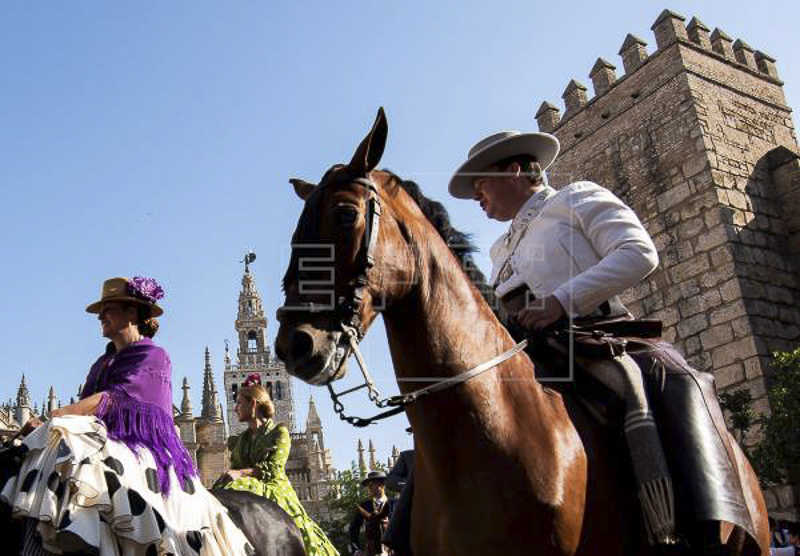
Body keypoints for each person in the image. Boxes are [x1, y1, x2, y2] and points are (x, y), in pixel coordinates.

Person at [448, 131, 757, 555]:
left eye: (480, 184)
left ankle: (699, 526)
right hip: (531, 354)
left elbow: (638, 252)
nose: (477, 198)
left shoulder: (574, 198)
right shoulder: (499, 250)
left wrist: (560, 301)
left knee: (675, 381)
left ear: (514, 170)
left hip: (598, 336)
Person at [1, 276, 252, 555]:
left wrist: (58, 415)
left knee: (68, 445)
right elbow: (89, 403)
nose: (101, 316)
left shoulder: (153, 355)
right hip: (101, 438)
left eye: (108, 308)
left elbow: (115, 399)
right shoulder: (103, 362)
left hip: (142, 446)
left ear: (132, 312)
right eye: (100, 311)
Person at [216, 373, 338, 556]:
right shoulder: (240, 440)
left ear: (254, 404)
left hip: (273, 486)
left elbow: (273, 469)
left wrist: (240, 474)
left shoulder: (279, 432)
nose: (235, 408)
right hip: (246, 485)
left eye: (240, 402)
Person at [348, 471, 396, 556]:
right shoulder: (364, 506)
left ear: (381, 485)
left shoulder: (395, 504)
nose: (369, 488)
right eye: (368, 486)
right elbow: (353, 529)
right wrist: (356, 550)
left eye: (372, 485)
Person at [382, 428, 414, 556]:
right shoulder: (407, 456)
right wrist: (409, 485)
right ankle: (393, 540)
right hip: (414, 501)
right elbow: (391, 480)